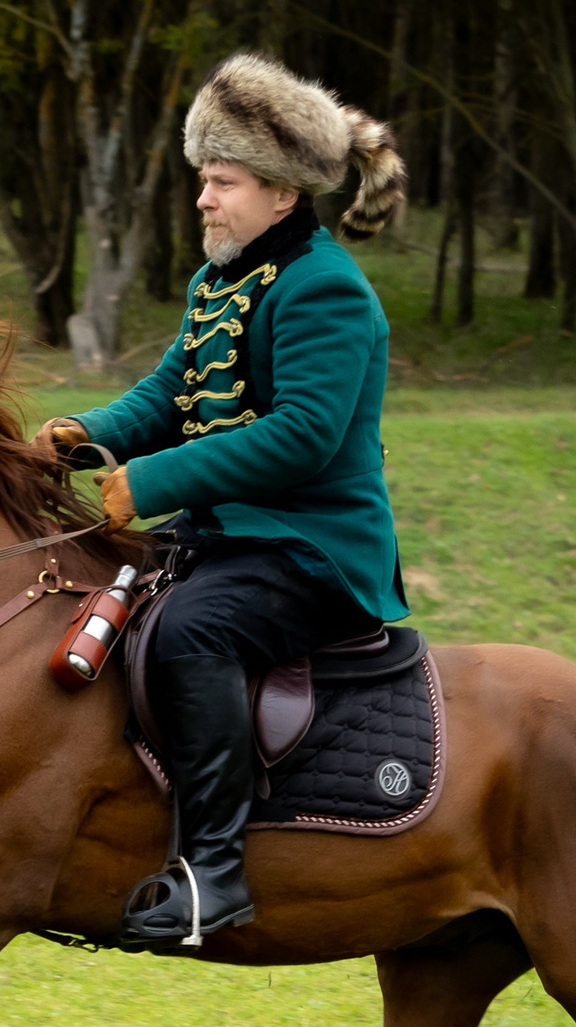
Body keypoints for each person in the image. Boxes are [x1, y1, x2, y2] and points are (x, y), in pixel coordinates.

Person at [38, 54, 409, 949]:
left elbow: (303, 436)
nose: (204, 200)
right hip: (227, 538)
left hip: (312, 551)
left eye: (222, 182)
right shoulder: (220, 282)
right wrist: (77, 437)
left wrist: (154, 482)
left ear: (281, 194)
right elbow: (164, 399)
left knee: (194, 630)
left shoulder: (325, 288)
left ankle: (213, 875)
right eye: (203, 179)